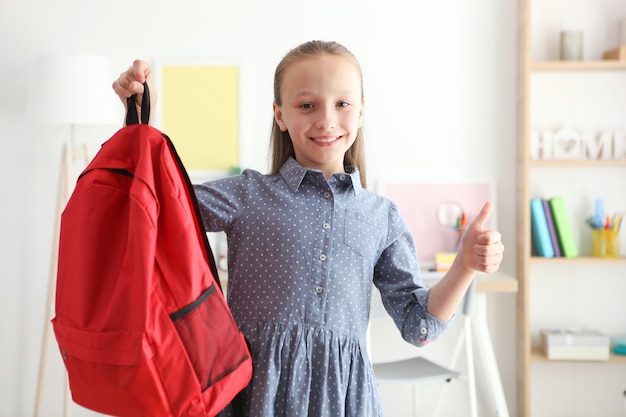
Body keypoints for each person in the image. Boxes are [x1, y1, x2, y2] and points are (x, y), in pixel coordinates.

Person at [112, 40, 504, 417]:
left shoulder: (381, 216)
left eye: (342, 104)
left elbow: (420, 327)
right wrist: (139, 123)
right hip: (254, 393)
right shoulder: (249, 195)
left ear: (362, 111)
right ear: (280, 115)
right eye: (307, 105)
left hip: (345, 400)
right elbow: (148, 203)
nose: (326, 120)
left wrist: (465, 265)